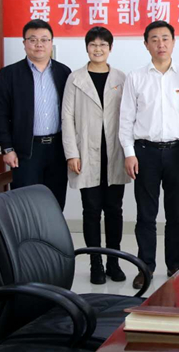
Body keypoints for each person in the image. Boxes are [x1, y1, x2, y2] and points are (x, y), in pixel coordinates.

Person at [120, 20, 179, 289]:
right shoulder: (136, 77)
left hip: (178, 153)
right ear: (146, 44)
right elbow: (126, 119)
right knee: (145, 215)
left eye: (165, 38)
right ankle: (146, 267)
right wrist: (129, 153)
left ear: (173, 42)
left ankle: (175, 265)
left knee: (176, 214)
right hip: (145, 153)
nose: (160, 44)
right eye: (154, 39)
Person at [61, 26, 129, 284]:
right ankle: (95, 264)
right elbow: (67, 117)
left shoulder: (121, 78)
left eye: (103, 45)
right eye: (93, 45)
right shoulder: (75, 78)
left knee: (114, 210)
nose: (98, 49)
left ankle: (113, 262)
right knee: (91, 211)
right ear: (87, 47)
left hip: (114, 154)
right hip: (85, 155)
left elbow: (129, 116)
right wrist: (71, 153)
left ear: (110, 48)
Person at [0, 19, 71, 210]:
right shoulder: (10, 74)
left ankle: (52, 231)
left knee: (55, 203)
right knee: (25, 204)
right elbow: (1, 114)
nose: (39, 44)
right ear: (24, 43)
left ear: (51, 43)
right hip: (25, 150)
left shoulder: (64, 72)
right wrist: (7, 148)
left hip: (57, 149)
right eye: (33, 39)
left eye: (44, 39)